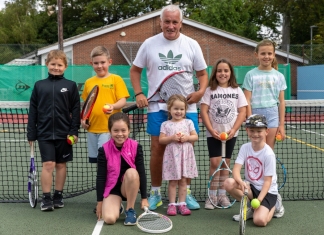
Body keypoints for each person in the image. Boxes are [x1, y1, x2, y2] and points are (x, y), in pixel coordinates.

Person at [130, 4, 208, 211]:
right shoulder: (149, 44)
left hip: (187, 107)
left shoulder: (192, 44)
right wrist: (139, 93)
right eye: (167, 21)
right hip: (157, 105)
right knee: (157, 147)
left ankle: (185, 193)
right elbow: (135, 70)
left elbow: (202, 74)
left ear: (181, 23)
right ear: (160, 22)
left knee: (186, 148)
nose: (171, 26)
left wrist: (200, 92)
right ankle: (155, 192)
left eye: (175, 22)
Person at [27, 50, 80, 211]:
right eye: (53, 64)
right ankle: (46, 198)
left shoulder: (70, 86)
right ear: (47, 64)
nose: (56, 67)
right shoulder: (39, 85)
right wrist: (31, 132)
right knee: (48, 164)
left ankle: (58, 195)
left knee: (61, 164)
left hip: (65, 133)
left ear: (65, 66)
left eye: (59, 65)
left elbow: (76, 110)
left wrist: (74, 131)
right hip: (44, 133)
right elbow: (33, 110)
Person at [200, 59, 247, 209]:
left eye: (226, 71)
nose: (223, 73)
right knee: (215, 163)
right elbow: (204, 111)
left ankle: (222, 194)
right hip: (213, 133)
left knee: (226, 164)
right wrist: (210, 129)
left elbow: (242, 111)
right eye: (220, 70)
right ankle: (211, 195)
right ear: (215, 73)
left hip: (230, 134)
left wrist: (233, 130)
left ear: (231, 73)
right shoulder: (210, 90)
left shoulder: (237, 90)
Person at [224, 114, 285, 226]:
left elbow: (267, 181)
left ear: (266, 131)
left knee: (260, 221)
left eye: (259, 131)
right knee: (228, 183)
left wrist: (260, 200)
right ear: (247, 130)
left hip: (267, 192)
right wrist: (241, 182)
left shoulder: (268, 154)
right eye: (252, 130)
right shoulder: (245, 147)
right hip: (251, 187)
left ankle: (275, 205)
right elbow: (236, 169)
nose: (255, 134)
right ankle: (251, 208)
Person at [96, 112, 149, 225]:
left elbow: (141, 173)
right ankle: (117, 206)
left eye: (123, 130)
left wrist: (144, 197)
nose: (120, 134)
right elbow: (101, 177)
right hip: (113, 189)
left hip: (128, 186)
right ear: (110, 131)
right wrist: (100, 202)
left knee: (132, 172)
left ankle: (130, 209)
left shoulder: (136, 147)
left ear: (129, 130)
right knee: (109, 219)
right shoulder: (103, 150)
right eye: (116, 130)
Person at [81, 46, 130, 164]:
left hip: (109, 129)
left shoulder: (116, 79)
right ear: (91, 63)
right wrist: (83, 120)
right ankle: (102, 182)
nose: (99, 66)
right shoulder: (89, 82)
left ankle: (110, 182)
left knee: (108, 160)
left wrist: (113, 106)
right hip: (92, 128)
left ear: (110, 62)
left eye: (103, 62)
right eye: (96, 63)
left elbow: (122, 100)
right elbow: (86, 104)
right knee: (98, 161)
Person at [242, 39, 287, 150]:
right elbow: (246, 100)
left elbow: (281, 102)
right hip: (256, 114)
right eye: (263, 53)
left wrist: (281, 125)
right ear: (257, 55)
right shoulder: (250, 75)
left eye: (269, 53)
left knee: (268, 149)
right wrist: (250, 119)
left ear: (274, 55)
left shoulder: (279, 76)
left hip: (272, 114)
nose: (266, 56)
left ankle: (268, 168)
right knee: (257, 148)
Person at [159, 95, 198, 216]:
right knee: (173, 181)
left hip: (185, 155)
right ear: (169, 109)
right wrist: (172, 138)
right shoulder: (165, 124)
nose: (179, 111)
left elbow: (195, 136)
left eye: (182, 109)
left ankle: (182, 204)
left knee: (183, 181)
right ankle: (172, 205)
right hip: (172, 156)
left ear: (185, 110)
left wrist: (187, 137)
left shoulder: (188, 122)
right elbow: (161, 140)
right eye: (176, 108)